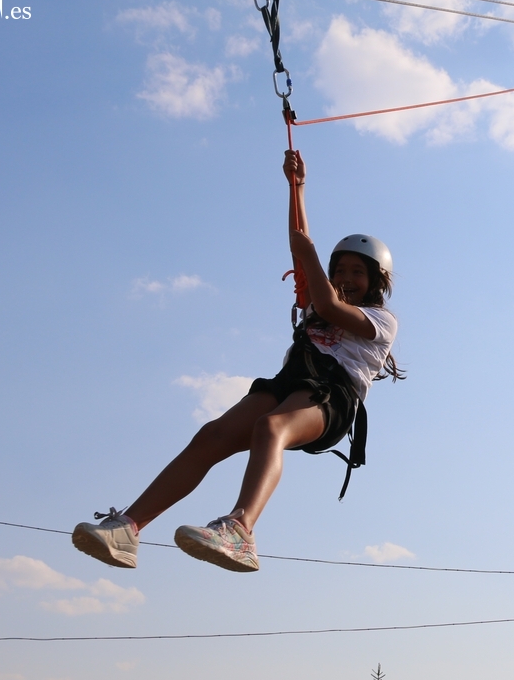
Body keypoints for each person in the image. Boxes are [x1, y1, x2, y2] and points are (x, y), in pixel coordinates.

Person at [71, 148, 401, 573]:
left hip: (331, 397)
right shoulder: (316, 303)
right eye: (340, 270)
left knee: (271, 428)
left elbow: (324, 294)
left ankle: (240, 531)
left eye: (358, 272)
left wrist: (310, 253)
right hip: (290, 382)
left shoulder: (381, 321)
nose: (346, 278)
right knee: (211, 435)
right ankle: (127, 529)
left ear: (375, 282)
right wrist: (297, 186)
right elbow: (300, 246)